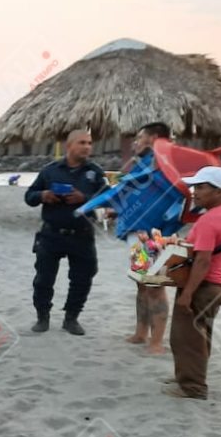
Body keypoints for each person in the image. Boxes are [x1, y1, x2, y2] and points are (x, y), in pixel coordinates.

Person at [25, 130, 108, 335]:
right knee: (43, 279)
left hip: (82, 234)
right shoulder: (50, 171)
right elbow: (29, 196)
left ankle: (71, 318)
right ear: (69, 145)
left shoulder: (96, 173)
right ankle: (42, 317)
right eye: (82, 142)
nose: (88, 147)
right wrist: (43, 195)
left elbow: (109, 198)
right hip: (51, 234)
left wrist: (84, 198)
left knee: (82, 278)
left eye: (90, 143)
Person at [165, 167, 221, 400]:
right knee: (202, 333)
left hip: (202, 286)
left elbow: (202, 261)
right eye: (195, 186)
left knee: (187, 337)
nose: (194, 192)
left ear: (219, 191)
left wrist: (188, 294)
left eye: (201, 187)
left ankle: (193, 387)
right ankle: (189, 375)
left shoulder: (209, 220)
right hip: (219, 284)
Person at [122, 122, 174, 353]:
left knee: (154, 285)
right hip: (138, 233)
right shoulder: (144, 164)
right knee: (142, 284)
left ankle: (157, 341)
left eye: (140, 138)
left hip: (153, 235)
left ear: (154, 139)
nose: (136, 142)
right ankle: (141, 333)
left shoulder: (163, 163)